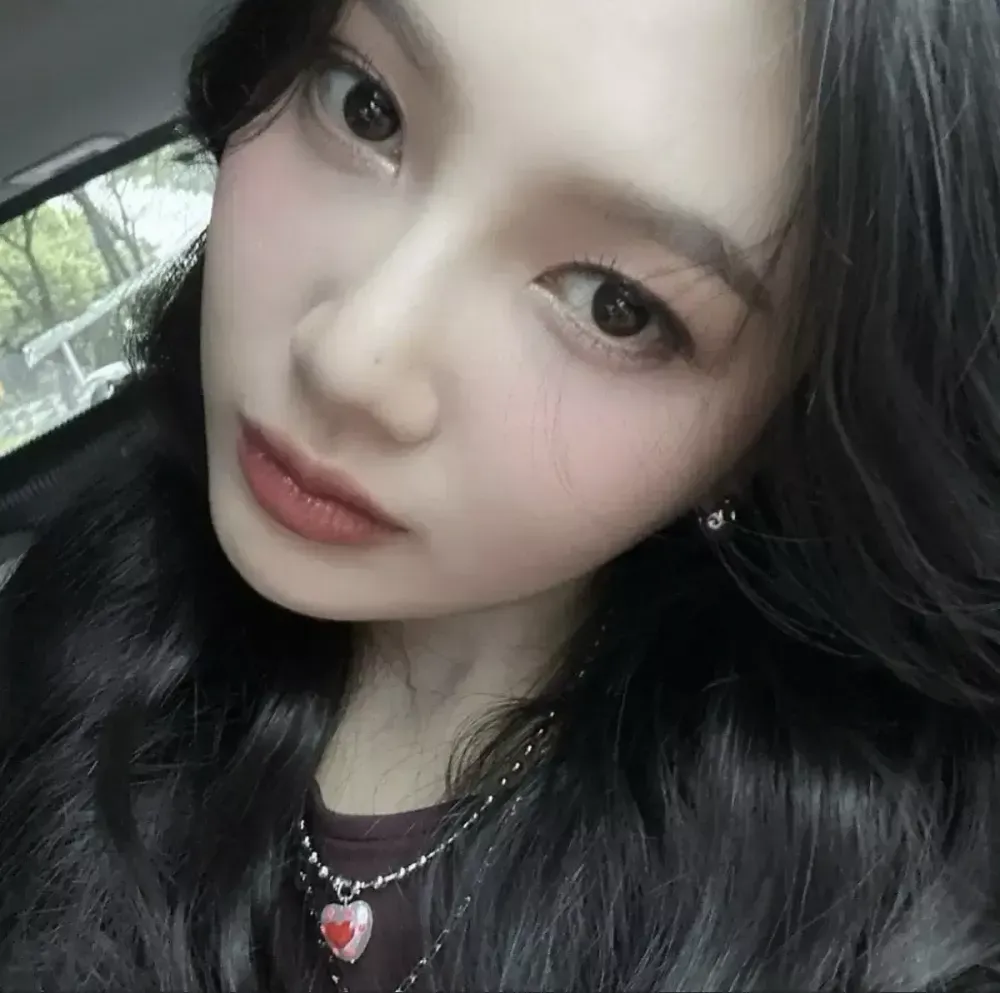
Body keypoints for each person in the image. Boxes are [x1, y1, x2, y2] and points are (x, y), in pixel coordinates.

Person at [2, 0, 1000, 989]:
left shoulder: (860, 924)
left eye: (615, 305)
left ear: (768, 436)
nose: (350, 358)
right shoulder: (93, 590)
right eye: (363, 106)